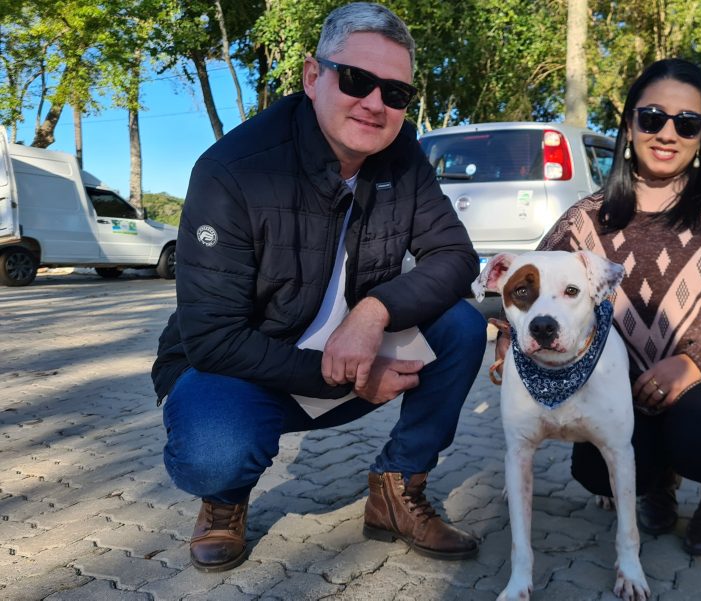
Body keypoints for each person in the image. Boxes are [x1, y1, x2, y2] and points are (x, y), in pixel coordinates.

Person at [152, 3, 486, 572]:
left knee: (462, 325)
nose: (375, 103)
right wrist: (351, 376)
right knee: (213, 451)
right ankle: (224, 500)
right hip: (245, 370)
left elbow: (456, 257)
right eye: (355, 79)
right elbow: (213, 338)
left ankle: (397, 488)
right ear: (313, 76)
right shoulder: (233, 170)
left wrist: (375, 311)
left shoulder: (402, 155)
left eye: (396, 93)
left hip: (353, 350)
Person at [497, 58, 701, 555]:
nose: (667, 133)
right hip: (634, 387)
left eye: (687, 123)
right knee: (593, 469)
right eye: (653, 117)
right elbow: (526, 286)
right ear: (629, 124)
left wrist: (694, 363)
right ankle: (657, 481)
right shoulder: (584, 219)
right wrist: (507, 340)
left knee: (699, 428)